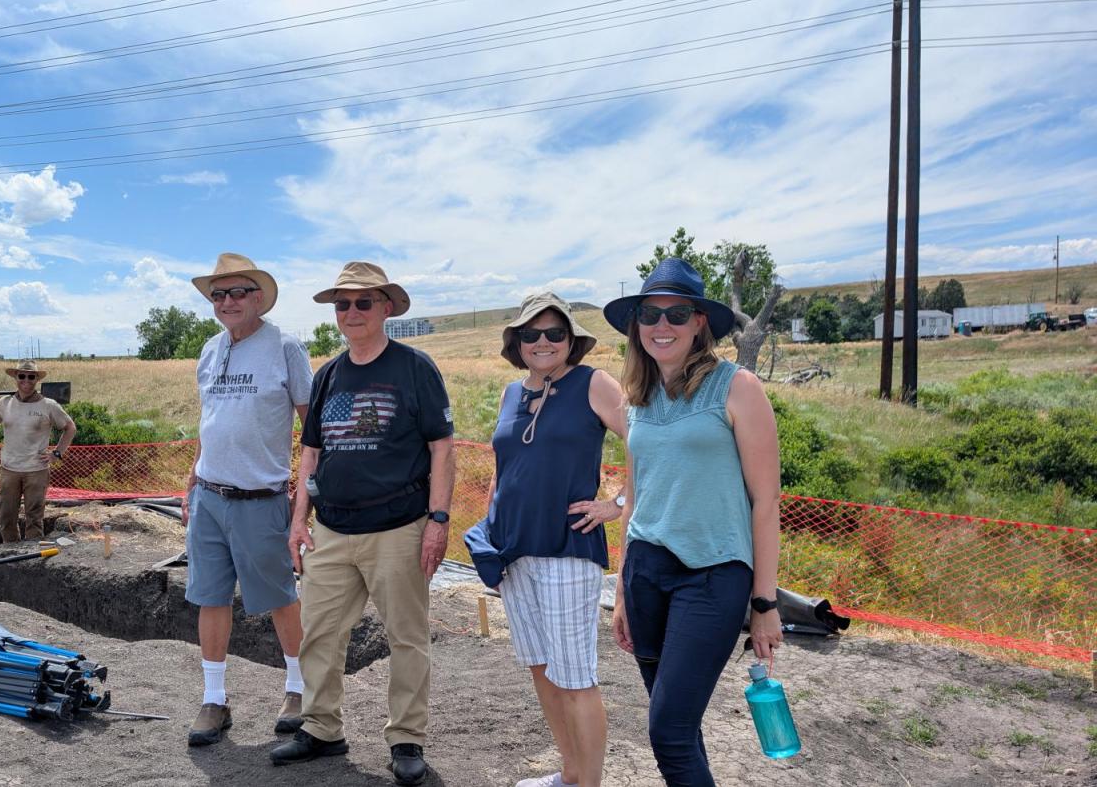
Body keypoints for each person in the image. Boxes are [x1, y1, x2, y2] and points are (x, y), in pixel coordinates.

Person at [600, 258, 784, 787]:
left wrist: (764, 604)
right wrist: (620, 592)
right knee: (679, 725)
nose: (662, 325)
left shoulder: (737, 387)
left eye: (677, 314)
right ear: (636, 324)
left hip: (712, 577)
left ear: (700, 321)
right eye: (650, 314)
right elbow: (634, 502)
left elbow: (765, 503)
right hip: (645, 577)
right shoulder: (636, 400)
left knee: (668, 731)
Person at [271, 261, 455, 787]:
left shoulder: (415, 369)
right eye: (342, 304)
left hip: (400, 527)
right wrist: (297, 520)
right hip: (330, 529)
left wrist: (439, 520)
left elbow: (440, 449)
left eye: (363, 302)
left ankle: (406, 738)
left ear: (387, 308)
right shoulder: (328, 374)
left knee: (406, 637)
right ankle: (322, 728)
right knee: (319, 634)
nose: (351, 312)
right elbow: (309, 455)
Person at [463, 292, 627, 787]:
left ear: (571, 340)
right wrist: (491, 529)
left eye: (555, 333)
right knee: (540, 668)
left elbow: (647, 444)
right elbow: (504, 467)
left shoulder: (593, 383)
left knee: (576, 678)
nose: (543, 341)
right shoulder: (512, 393)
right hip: (514, 553)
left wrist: (617, 506)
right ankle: (571, 775)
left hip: (566, 551)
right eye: (531, 333)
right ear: (517, 341)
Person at [181, 253, 314, 747]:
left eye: (238, 292)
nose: (228, 301)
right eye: (219, 294)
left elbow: (312, 427)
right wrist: (192, 480)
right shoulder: (210, 350)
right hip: (209, 497)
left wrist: (305, 498)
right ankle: (214, 699)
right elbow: (208, 422)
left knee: (279, 594)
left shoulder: (285, 347)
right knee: (209, 596)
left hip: (263, 497)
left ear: (258, 297)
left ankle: (298, 689)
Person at [0, 360, 74, 543]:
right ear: (15, 377)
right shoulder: (6, 403)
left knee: (34, 518)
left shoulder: (49, 405)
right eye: (22, 376)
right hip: (9, 469)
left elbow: (70, 427)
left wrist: (57, 453)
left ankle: (31, 557)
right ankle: (10, 551)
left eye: (31, 376)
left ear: (37, 379)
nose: (26, 380)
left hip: (36, 470)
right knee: (5, 515)